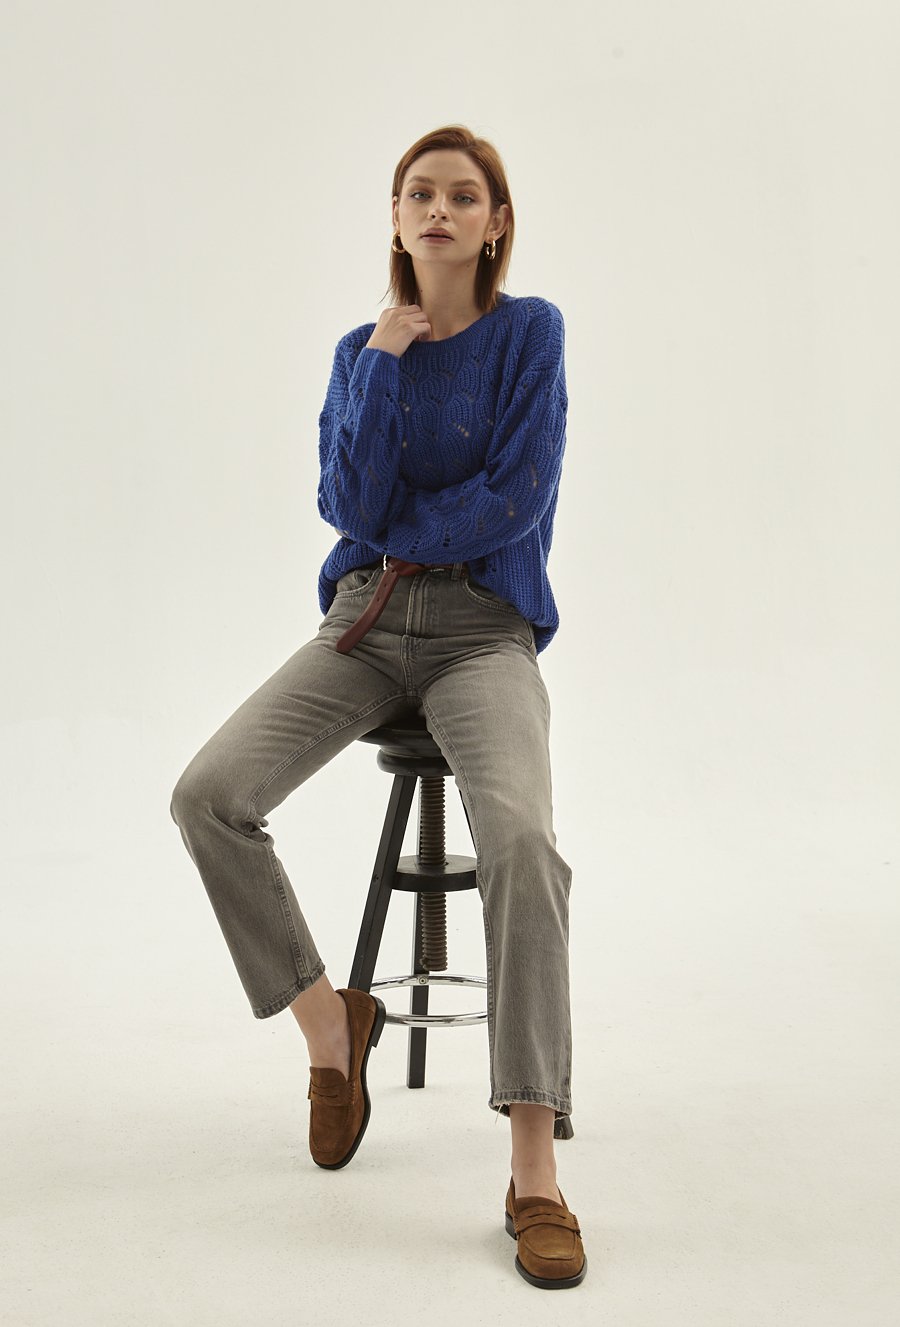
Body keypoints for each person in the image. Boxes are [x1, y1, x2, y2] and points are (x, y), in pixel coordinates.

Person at [169, 123, 586, 1289]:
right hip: (363, 621)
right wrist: (386, 360)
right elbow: (344, 502)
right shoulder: (363, 349)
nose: (439, 209)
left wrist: (400, 529)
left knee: (522, 842)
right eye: (420, 194)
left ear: (496, 223)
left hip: (483, 629)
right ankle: (330, 1027)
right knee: (208, 796)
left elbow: (516, 498)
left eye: (464, 195)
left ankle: (534, 1168)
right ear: (397, 218)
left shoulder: (531, 334)